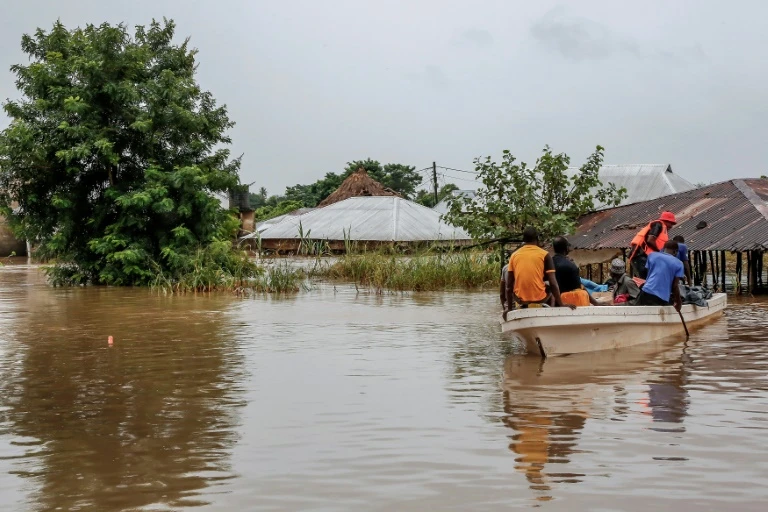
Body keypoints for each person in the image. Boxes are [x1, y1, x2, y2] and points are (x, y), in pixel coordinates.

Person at [504, 227, 574, 320]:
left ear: (524, 240)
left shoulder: (514, 255)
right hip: (540, 300)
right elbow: (553, 284)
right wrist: (561, 304)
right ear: (537, 239)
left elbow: (508, 287)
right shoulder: (545, 254)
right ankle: (552, 311)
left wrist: (509, 309)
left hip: (520, 300)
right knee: (550, 286)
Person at [634, 240, 684, 311]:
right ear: (675, 252)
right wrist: (678, 302)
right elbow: (675, 286)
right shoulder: (679, 264)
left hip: (646, 291)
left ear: (663, 249)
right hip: (660, 297)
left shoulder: (652, 255)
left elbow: (649, 274)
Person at [552, 236, 600, 306]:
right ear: (566, 248)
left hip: (550, 305)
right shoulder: (570, 266)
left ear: (554, 248)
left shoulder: (548, 263)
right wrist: (595, 303)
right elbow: (579, 288)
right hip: (569, 306)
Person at [628, 211, 677, 279]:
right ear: (665, 221)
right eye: (671, 223)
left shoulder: (663, 229)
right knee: (646, 281)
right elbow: (650, 240)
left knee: (647, 280)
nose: (671, 226)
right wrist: (660, 252)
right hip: (640, 256)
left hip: (644, 257)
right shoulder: (658, 224)